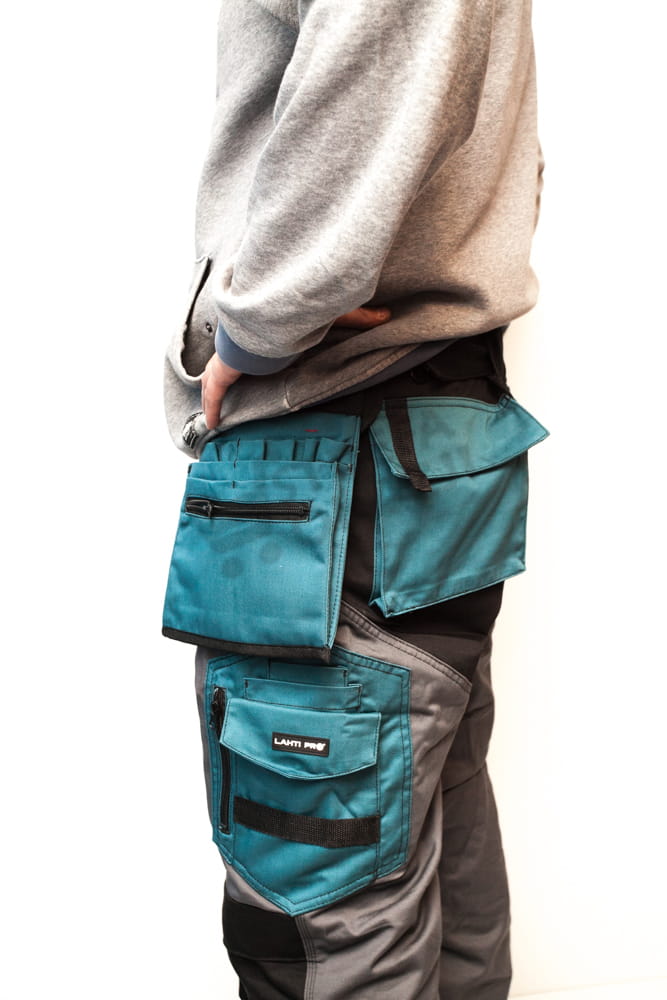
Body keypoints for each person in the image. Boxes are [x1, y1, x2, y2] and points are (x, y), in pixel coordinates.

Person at [162, 1, 546, 997]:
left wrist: (253, 327)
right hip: (418, 436)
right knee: (421, 864)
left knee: (319, 925)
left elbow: (371, 80)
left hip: (332, 449)